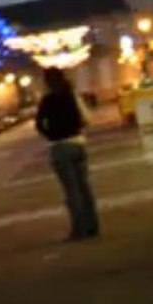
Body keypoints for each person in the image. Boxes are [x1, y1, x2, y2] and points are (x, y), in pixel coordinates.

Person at [35, 67, 100, 242]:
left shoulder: (47, 100)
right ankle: (93, 225)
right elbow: (87, 118)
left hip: (60, 147)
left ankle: (79, 229)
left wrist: (51, 135)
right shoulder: (72, 94)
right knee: (84, 187)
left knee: (71, 191)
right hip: (78, 143)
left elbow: (39, 124)